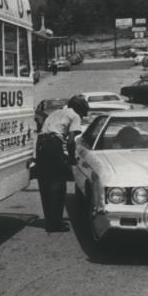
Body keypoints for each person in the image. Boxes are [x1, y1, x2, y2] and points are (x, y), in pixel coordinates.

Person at [36, 95, 89, 232]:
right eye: (83, 113)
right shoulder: (75, 115)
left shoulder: (56, 112)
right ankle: (56, 224)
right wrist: (71, 159)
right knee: (58, 185)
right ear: (80, 109)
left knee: (45, 184)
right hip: (54, 144)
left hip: (41, 144)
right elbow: (71, 141)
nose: (82, 116)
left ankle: (49, 221)